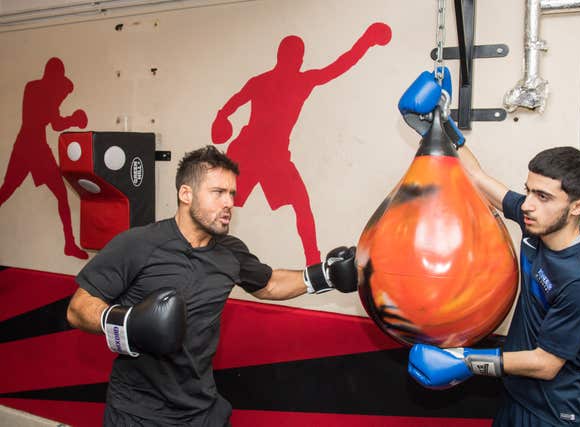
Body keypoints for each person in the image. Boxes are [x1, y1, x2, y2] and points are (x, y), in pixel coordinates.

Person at [66, 145, 358, 426]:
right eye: (218, 192)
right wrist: (127, 323)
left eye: (231, 193)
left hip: (202, 410)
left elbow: (269, 284)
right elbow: (78, 308)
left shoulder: (230, 251)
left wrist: (325, 276)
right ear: (186, 194)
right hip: (138, 413)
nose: (229, 202)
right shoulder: (137, 244)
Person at [409, 143, 580, 426]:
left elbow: (546, 364)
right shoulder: (538, 223)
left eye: (542, 196)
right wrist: (445, 129)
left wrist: (466, 360)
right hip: (515, 393)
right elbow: (477, 177)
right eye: (528, 190)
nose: (527, 204)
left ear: (578, 207)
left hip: (553, 413)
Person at [211, 22, 391, 265]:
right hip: (252, 153)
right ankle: (311, 261)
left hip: (268, 155)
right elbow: (340, 64)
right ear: (284, 57)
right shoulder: (282, 81)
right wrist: (222, 118)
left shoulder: (291, 81)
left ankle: (313, 262)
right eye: (295, 55)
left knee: (299, 203)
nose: (297, 60)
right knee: (226, 204)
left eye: (299, 56)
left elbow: (341, 65)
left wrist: (367, 41)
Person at [0, 57, 88, 259]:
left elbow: (53, 118)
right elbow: (56, 123)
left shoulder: (39, 89)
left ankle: (69, 244)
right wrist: (74, 119)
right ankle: (69, 244)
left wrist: (65, 104)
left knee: (58, 194)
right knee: (7, 190)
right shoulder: (38, 90)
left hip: (32, 145)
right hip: (30, 146)